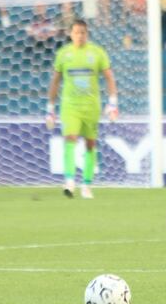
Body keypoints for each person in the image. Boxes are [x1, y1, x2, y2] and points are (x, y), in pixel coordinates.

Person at [46, 20, 119, 199]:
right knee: (69, 138)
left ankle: (86, 185)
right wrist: (50, 108)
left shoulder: (97, 53)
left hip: (91, 106)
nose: (80, 36)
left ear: (87, 34)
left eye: (83, 33)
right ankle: (69, 181)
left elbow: (109, 77)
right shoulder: (63, 54)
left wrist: (113, 102)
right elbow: (55, 81)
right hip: (70, 106)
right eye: (77, 32)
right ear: (70, 34)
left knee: (90, 143)